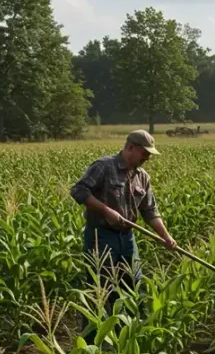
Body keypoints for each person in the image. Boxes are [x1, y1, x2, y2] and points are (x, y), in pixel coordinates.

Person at [70, 130, 177, 343]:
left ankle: (125, 339)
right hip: (101, 236)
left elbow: (150, 211)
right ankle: (90, 345)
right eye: (144, 153)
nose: (147, 159)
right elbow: (79, 191)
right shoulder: (104, 166)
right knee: (99, 289)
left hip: (127, 239)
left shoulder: (142, 177)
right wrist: (106, 211)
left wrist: (166, 237)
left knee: (132, 286)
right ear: (130, 148)